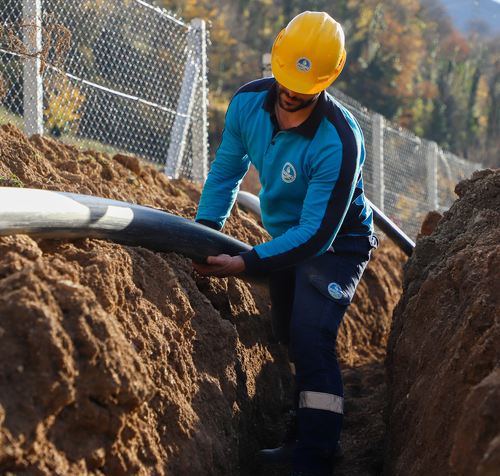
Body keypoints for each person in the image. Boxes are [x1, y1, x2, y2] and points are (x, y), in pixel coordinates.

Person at [191, 11, 376, 476]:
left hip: (336, 244)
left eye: (304, 87)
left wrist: (246, 262)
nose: (291, 93)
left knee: (311, 338)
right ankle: (303, 431)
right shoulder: (247, 104)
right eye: (287, 80)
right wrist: (203, 233)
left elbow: (316, 234)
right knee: (289, 334)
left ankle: (314, 458)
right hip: (288, 238)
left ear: (329, 77)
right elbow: (226, 172)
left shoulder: (339, 140)